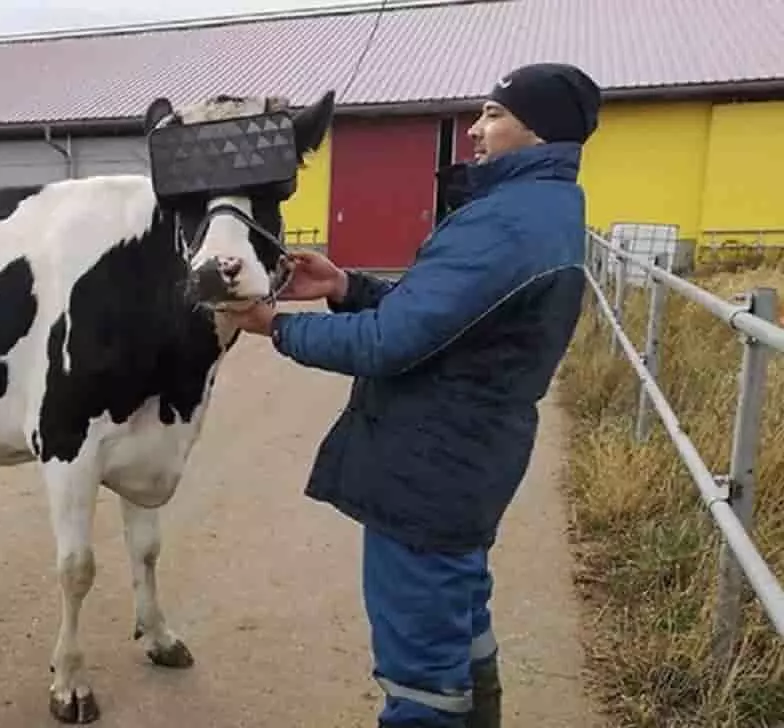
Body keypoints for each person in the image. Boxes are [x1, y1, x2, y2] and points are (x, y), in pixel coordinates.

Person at [224, 62, 603, 728]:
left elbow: (387, 342)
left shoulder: (504, 223)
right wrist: (346, 287)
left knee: (422, 673)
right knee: (460, 621)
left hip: (431, 469)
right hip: (468, 459)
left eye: (493, 114)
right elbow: (444, 315)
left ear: (539, 130)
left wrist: (275, 326)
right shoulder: (541, 209)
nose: (475, 129)